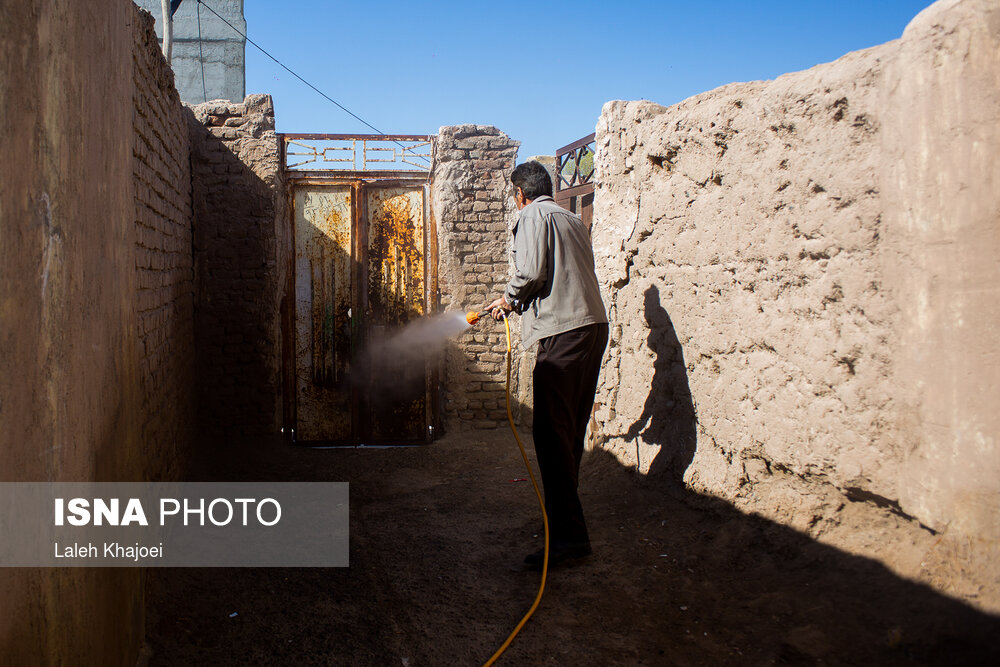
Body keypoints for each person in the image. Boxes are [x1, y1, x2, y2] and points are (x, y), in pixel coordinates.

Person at [486, 160, 609, 569]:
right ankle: (564, 522)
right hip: (593, 328)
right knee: (569, 429)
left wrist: (507, 299)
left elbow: (530, 272)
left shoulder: (532, 214)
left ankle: (570, 538)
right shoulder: (571, 220)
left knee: (550, 434)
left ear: (520, 193)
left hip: (564, 332)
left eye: (513, 196)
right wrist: (517, 301)